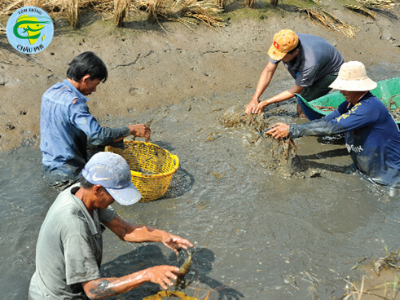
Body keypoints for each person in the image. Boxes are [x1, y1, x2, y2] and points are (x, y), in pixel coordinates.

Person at [29, 152, 193, 299]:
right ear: (98, 189)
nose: (114, 201)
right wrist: (147, 274)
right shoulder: (74, 225)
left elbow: (124, 229)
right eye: (114, 195)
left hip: (50, 283)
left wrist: (163, 236)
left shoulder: (79, 192)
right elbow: (93, 290)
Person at [267, 61, 400, 186]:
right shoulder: (349, 104)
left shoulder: (369, 107)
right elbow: (326, 121)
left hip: (387, 177)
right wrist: (290, 128)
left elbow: (333, 127)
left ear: (357, 87)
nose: (341, 92)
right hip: (363, 168)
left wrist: (293, 130)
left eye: (345, 88)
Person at [40, 51, 151, 190]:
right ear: (86, 79)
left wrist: (103, 133)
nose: (95, 90)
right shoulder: (75, 103)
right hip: (67, 173)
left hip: (50, 166)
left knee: (100, 141)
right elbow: (98, 137)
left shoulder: (50, 92)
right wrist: (130, 129)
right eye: (95, 84)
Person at [245, 29, 344, 117]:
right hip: (319, 59)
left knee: (302, 105)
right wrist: (255, 98)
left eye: (281, 56)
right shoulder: (284, 42)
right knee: (304, 85)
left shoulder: (309, 62)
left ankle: (307, 124)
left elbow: (296, 90)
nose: (278, 58)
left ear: (296, 52)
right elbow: (268, 70)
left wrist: (266, 102)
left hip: (332, 71)